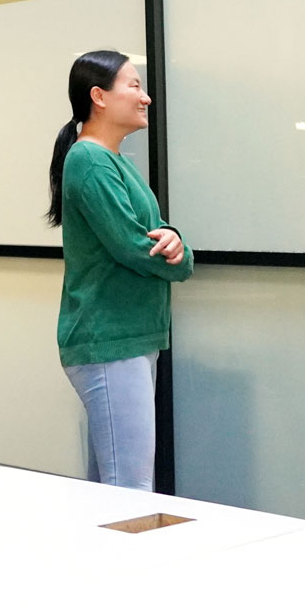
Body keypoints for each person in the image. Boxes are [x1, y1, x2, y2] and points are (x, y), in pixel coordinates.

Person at [48, 50, 192, 491]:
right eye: (134, 86)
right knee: (128, 489)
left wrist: (173, 240)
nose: (146, 98)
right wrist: (181, 258)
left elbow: (154, 234)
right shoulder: (89, 159)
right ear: (99, 97)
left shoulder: (114, 161)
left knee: (112, 487)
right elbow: (134, 247)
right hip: (109, 340)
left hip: (125, 338)